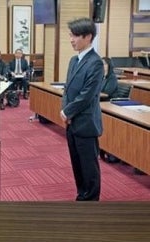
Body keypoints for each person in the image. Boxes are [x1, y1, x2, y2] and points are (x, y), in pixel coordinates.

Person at [61, 17, 103, 201]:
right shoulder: (74, 60)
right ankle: (81, 196)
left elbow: (87, 95)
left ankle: (91, 200)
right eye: (71, 35)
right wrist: (65, 111)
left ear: (88, 37)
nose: (71, 40)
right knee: (77, 164)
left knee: (88, 167)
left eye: (75, 36)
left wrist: (67, 112)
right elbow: (67, 89)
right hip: (71, 123)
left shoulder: (96, 63)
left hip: (86, 123)